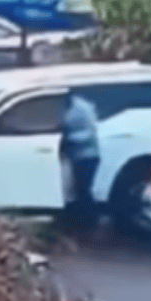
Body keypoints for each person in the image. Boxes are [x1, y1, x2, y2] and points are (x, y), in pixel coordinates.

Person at [60, 94, 100, 230]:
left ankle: (88, 221)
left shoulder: (82, 108)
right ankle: (86, 220)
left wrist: (67, 138)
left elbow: (90, 132)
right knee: (78, 189)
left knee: (83, 189)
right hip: (77, 155)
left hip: (87, 155)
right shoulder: (71, 106)